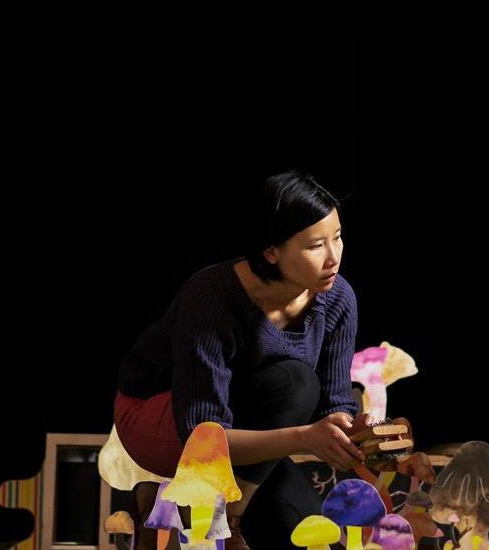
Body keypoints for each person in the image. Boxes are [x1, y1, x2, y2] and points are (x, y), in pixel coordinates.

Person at [114, 170, 369, 550]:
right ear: (271, 251)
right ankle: (226, 519)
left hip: (251, 422)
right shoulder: (211, 297)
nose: (334, 257)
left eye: (338, 237)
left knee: (310, 537)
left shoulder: (337, 298)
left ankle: (166, 503)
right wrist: (304, 436)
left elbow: (335, 404)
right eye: (316, 245)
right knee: (296, 382)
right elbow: (201, 433)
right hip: (164, 419)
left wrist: (361, 435)